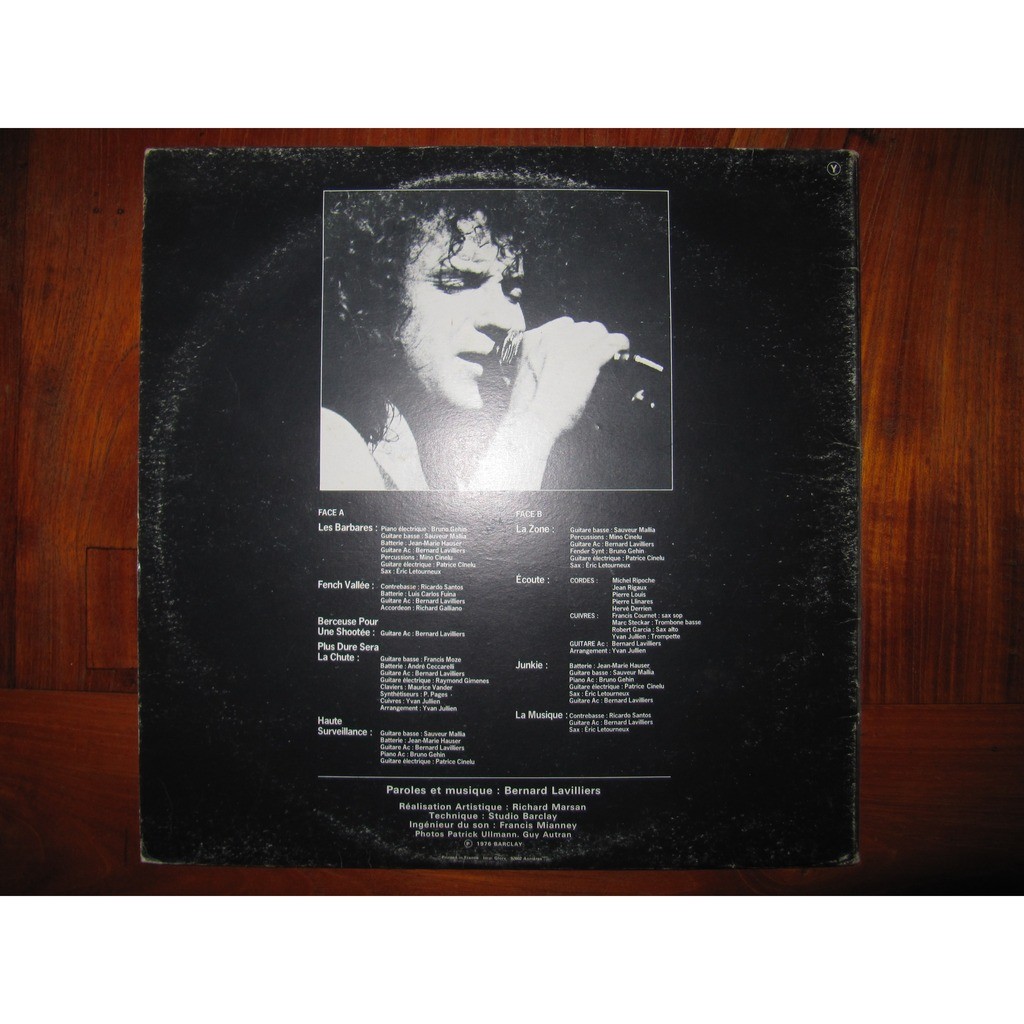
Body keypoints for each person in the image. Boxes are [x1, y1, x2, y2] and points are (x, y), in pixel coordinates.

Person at [320, 191, 633, 491]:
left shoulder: (440, 452)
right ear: (374, 294)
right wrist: (537, 423)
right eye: (458, 282)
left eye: (513, 290)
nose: (505, 320)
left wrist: (529, 405)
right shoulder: (328, 436)